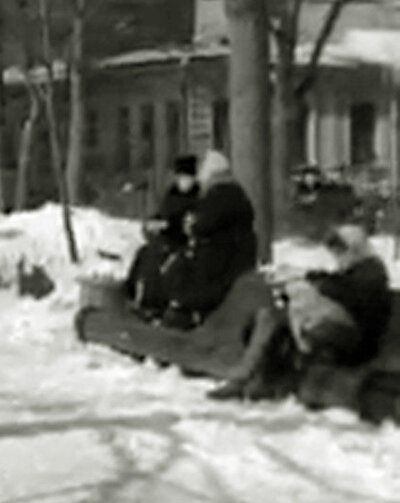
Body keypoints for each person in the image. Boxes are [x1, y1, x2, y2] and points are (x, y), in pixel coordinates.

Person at [208, 224, 393, 401]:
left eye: (340, 251)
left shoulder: (371, 271)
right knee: (273, 318)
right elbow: (338, 285)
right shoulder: (357, 269)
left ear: (355, 248)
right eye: (335, 252)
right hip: (341, 329)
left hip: (355, 339)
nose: (337, 257)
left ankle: (246, 377)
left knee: (273, 319)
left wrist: (314, 283)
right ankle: (258, 379)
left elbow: (350, 292)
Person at [159, 149, 257, 329]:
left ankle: (182, 313)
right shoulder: (232, 194)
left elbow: (202, 222)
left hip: (221, 262)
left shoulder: (220, 195)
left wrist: (190, 226)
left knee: (181, 270)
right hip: (230, 258)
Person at [124, 154, 200, 318]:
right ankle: (133, 294)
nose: (183, 181)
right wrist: (154, 222)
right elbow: (163, 213)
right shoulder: (171, 194)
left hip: (181, 242)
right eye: (180, 177)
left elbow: (191, 223)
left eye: (186, 177)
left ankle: (156, 304)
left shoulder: (198, 197)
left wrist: (170, 225)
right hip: (165, 238)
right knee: (145, 254)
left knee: (163, 262)